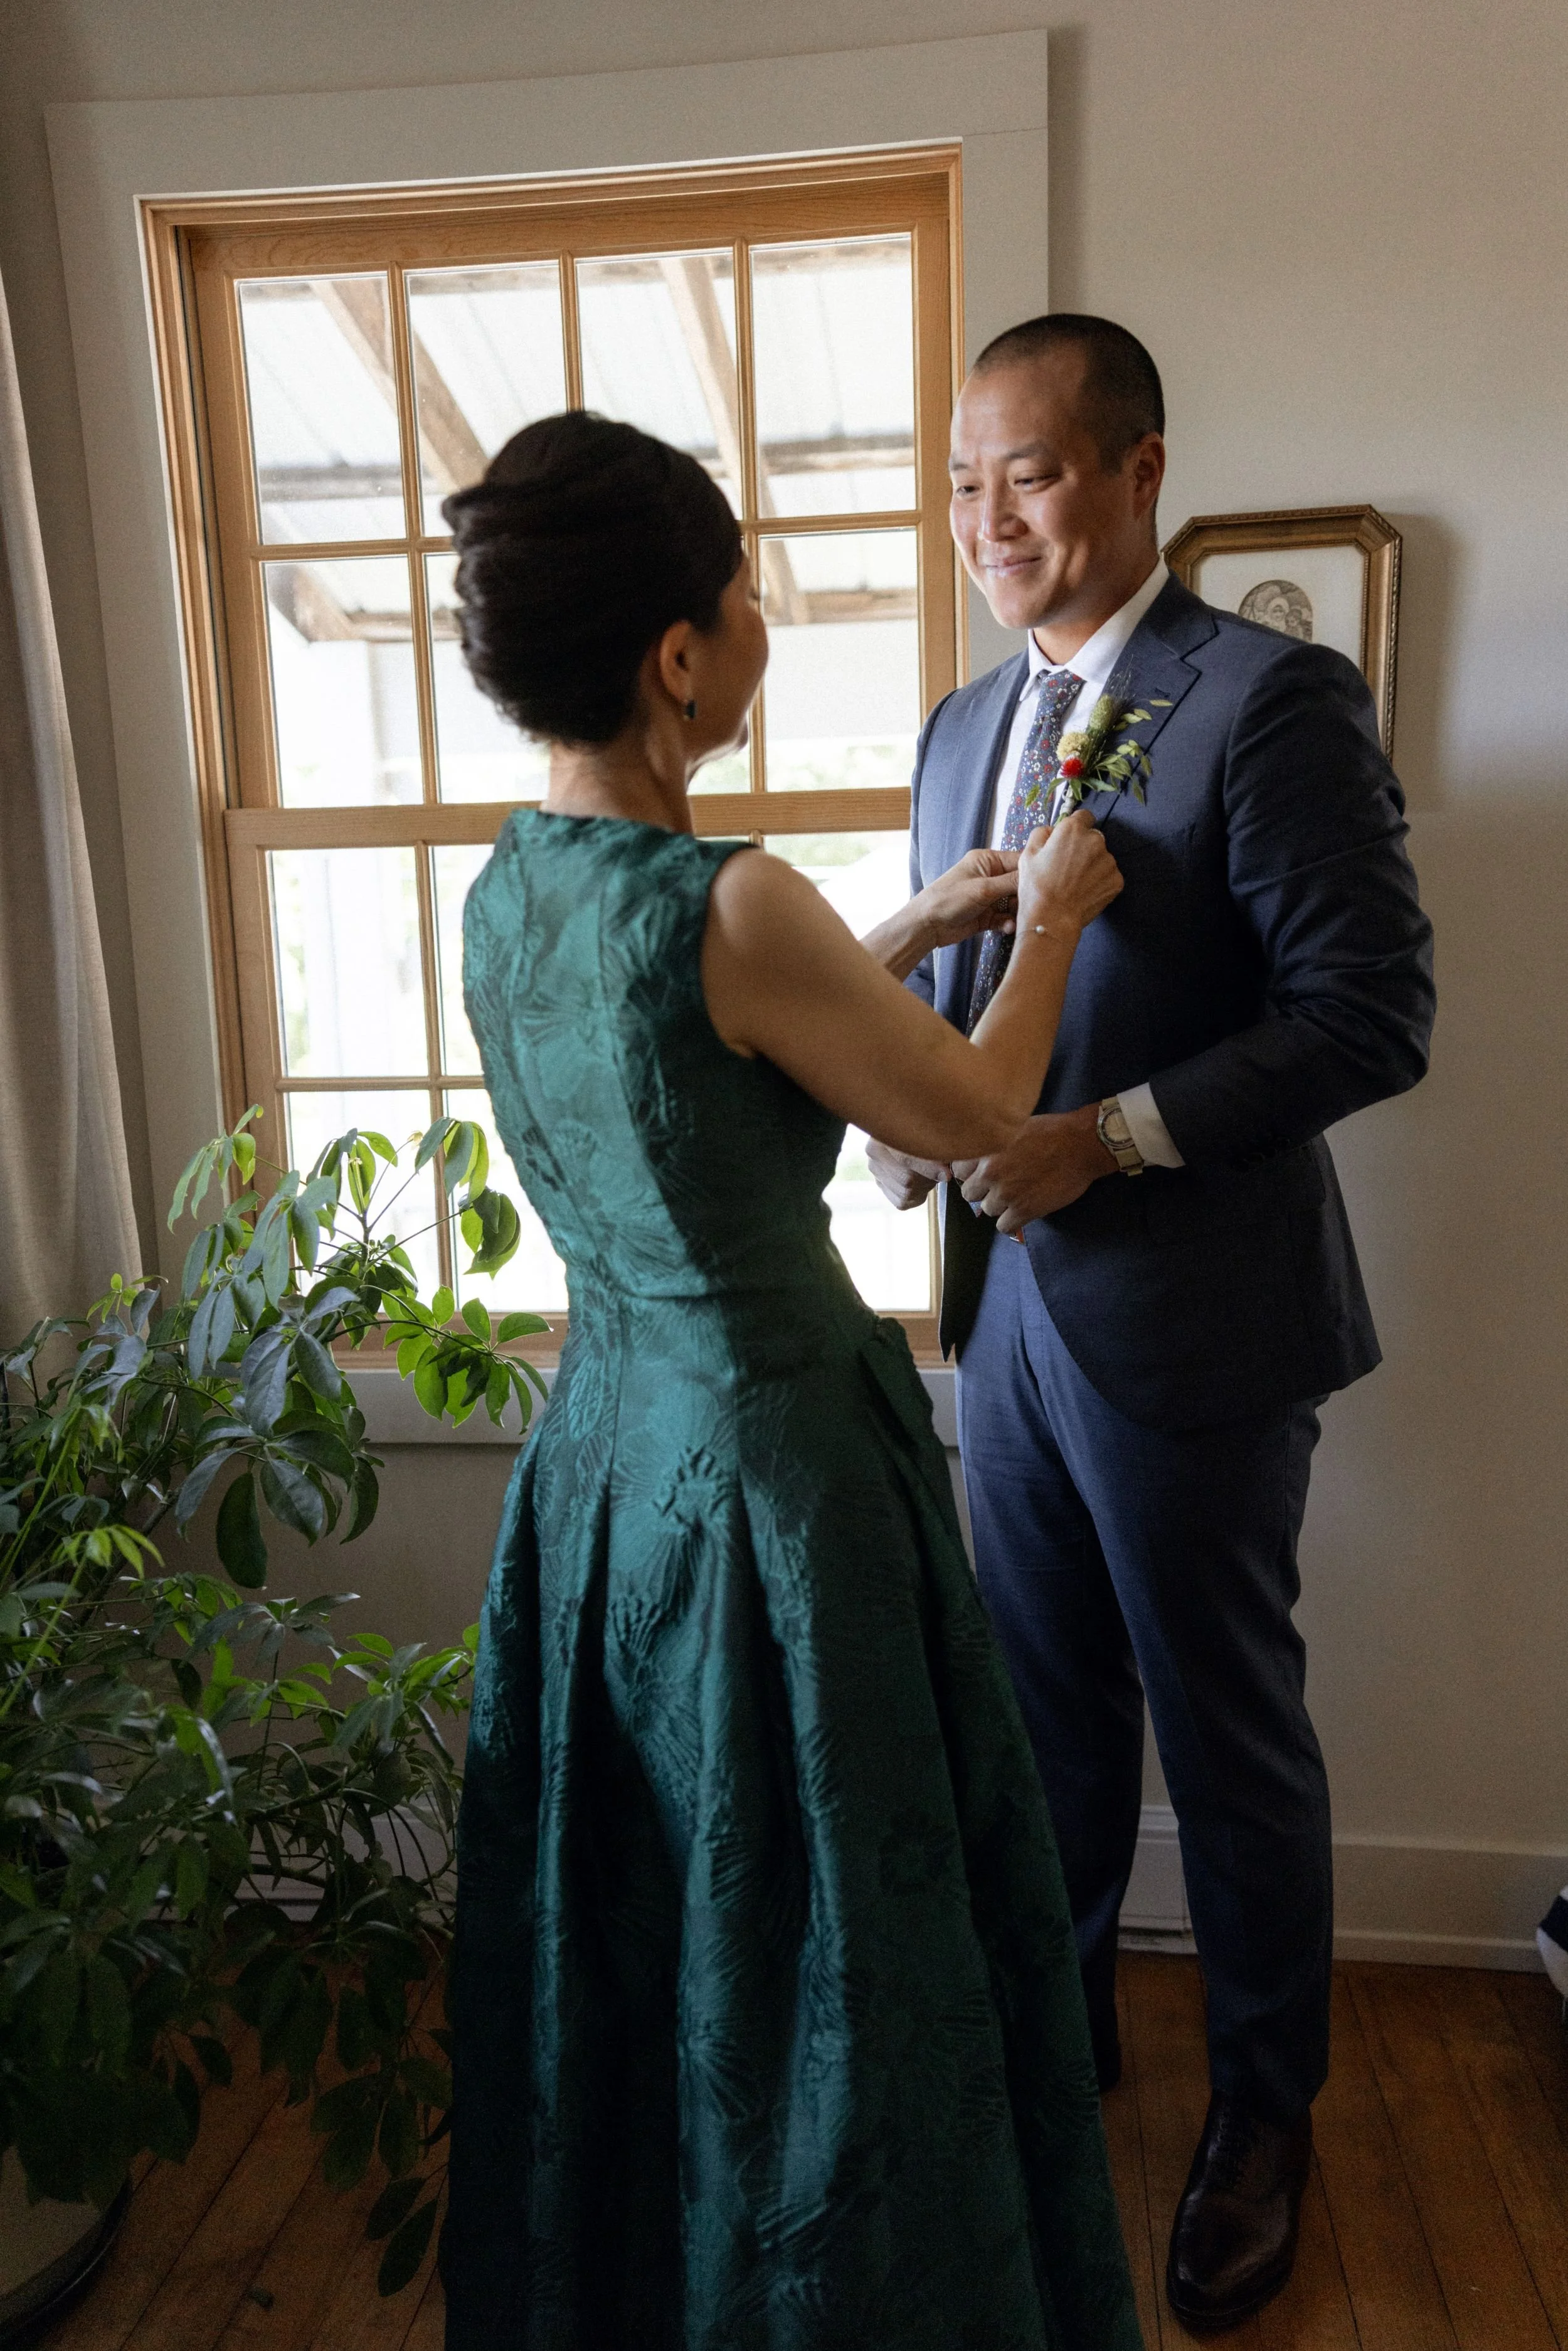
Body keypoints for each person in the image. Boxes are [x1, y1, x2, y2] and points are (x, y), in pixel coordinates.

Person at [439, 410, 1143, 2351]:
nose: (759, 624)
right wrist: (1051, 919)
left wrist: (911, 920)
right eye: (742, 596)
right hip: (773, 1478)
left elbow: (710, 1042)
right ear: (677, 657)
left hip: (606, 1463)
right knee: (817, 1923)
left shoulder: (509, 888)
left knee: (672, 1911)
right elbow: (976, 1107)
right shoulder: (734, 900)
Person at [869, 314, 1436, 2332]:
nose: (987, 518)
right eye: (961, 482)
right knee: (1040, 1710)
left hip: (1196, 1317)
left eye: (1025, 472)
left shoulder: (1266, 699)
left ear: (1135, 473)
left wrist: (1101, 1139)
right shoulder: (959, 727)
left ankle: (1264, 2112)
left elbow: (1369, 1015)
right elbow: (947, 1007)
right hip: (1005, 1315)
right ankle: (1065, 2034)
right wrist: (914, 1135)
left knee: (1225, 1725)